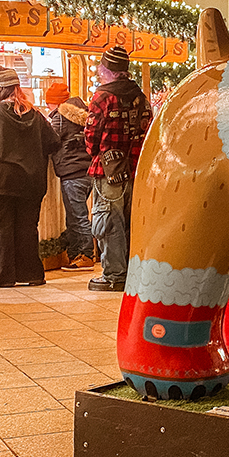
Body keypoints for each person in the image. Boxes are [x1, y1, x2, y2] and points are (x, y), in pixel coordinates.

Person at [0, 68, 60, 288]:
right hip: (31, 182)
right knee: (28, 227)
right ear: (18, 87)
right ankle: (32, 274)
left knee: (0, 228)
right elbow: (53, 142)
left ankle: (4, 276)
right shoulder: (35, 115)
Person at [84, 46, 153, 292]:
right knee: (130, 222)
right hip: (136, 169)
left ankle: (114, 275)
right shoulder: (140, 96)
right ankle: (132, 272)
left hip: (109, 171)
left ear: (106, 69)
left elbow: (91, 138)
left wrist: (99, 154)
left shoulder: (102, 97)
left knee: (108, 222)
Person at [47, 82, 94, 271]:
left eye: (49, 103)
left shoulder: (59, 118)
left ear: (56, 103)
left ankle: (86, 255)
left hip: (72, 172)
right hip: (87, 170)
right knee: (76, 215)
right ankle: (76, 254)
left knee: (77, 216)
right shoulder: (83, 114)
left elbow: (50, 141)